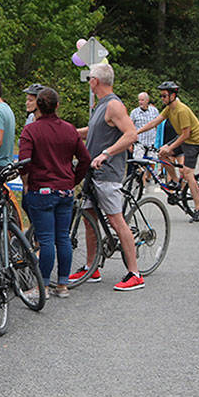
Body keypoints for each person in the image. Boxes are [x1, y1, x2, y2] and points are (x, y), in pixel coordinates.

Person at [72, 63, 145, 291]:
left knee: (116, 220)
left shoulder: (113, 105)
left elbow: (131, 134)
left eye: (89, 79)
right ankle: (92, 268)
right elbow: (94, 132)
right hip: (92, 173)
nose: (88, 83)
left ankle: (135, 273)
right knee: (89, 218)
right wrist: (70, 132)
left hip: (108, 173)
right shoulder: (100, 106)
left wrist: (106, 153)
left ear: (95, 81)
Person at [18, 86, 90, 298]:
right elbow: (85, 159)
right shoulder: (69, 130)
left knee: (46, 238)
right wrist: (73, 179)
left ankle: (43, 286)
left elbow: (24, 162)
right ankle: (63, 284)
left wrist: (26, 180)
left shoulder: (30, 131)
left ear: (37, 107)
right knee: (63, 238)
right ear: (57, 106)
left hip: (41, 190)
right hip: (65, 190)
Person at [143, 80, 199, 220]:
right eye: (161, 96)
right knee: (161, 154)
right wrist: (136, 132)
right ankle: (176, 181)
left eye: (164, 96)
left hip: (195, 142)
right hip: (184, 139)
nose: (162, 98)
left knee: (189, 173)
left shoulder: (181, 110)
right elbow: (155, 122)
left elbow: (186, 134)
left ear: (173, 95)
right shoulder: (169, 108)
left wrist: (170, 147)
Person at [130, 91, 160, 162]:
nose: (140, 102)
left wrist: (158, 142)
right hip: (139, 143)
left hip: (152, 144)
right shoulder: (134, 112)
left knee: (152, 164)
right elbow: (130, 128)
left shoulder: (154, 111)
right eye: (139, 100)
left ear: (147, 100)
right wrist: (130, 144)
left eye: (142, 100)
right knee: (138, 163)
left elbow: (157, 126)